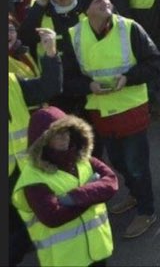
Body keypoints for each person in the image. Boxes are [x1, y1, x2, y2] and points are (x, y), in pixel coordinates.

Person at [69, 0, 160, 239]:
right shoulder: (74, 35)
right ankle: (136, 194)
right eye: (98, 1)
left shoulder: (130, 28)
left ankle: (146, 211)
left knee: (136, 164)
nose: (106, 3)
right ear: (86, 10)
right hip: (100, 112)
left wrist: (128, 78)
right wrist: (88, 86)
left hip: (131, 108)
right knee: (119, 161)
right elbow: (68, 77)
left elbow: (155, 63)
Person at [12, 106, 119, 267]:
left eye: (67, 131)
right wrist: (94, 193)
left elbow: (111, 182)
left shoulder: (82, 158)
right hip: (66, 260)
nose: (65, 136)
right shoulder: (33, 178)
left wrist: (73, 198)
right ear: (43, 140)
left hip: (98, 250)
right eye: (57, 133)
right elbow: (52, 216)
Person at [8, 27, 62, 266]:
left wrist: (50, 53)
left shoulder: (11, 82)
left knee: (23, 228)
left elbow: (47, 88)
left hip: (21, 169)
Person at [17, 0, 89, 115]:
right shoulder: (38, 9)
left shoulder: (88, 1)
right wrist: (39, 6)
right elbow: (25, 38)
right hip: (59, 84)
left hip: (88, 79)